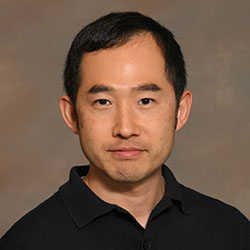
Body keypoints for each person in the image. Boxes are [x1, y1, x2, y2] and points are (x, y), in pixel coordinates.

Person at [0, 11, 249, 250]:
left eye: (145, 101)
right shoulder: (26, 242)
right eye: (103, 102)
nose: (126, 129)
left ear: (180, 111)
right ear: (72, 115)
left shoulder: (230, 231)